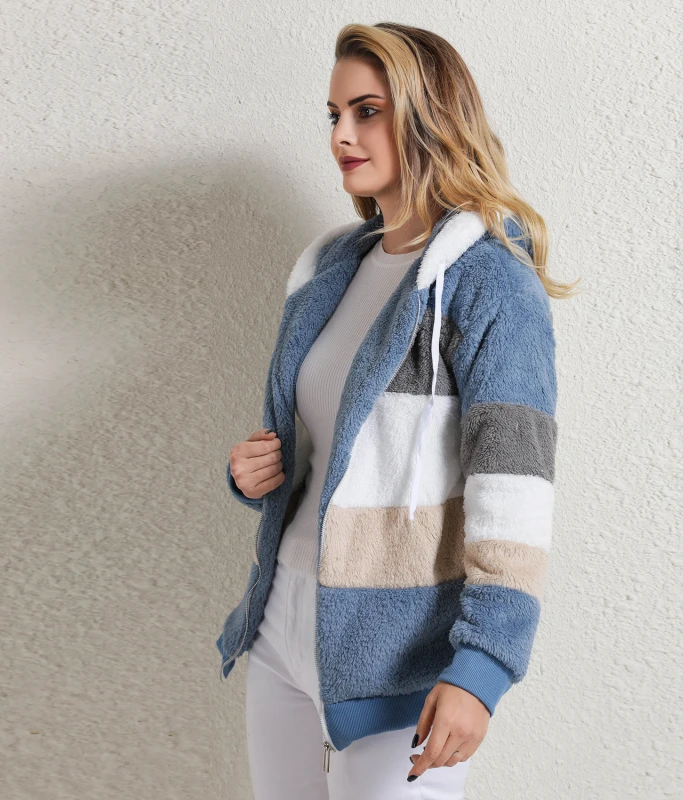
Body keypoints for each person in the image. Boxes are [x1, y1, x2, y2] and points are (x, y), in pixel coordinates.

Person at [218, 21, 580, 800]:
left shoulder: (491, 282)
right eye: (334, 114)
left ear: (430, 116)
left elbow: (514, 492)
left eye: (367, 111)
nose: (341, 136)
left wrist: (483, 667)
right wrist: (257, 470)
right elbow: (325, 451)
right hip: (282, 622)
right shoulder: (331, 269)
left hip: (399, 652)